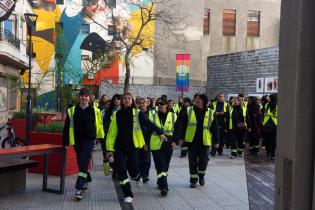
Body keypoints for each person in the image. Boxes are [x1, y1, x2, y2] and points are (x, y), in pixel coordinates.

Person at [106, 92, 165, 203]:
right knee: (121, 169)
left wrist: (160, 132)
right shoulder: (117, 114)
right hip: (119, 147)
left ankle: (137, 177)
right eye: (125, 98)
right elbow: (112, 132)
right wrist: (109, 149)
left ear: (132, 101)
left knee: (133, 168)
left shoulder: (137, 113)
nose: (127, 100)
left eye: (129, 98)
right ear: (122, 101)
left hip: (133, 146)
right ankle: (128, 194)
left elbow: (149, 123)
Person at [63, 87, 105, 200]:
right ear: (79, 97)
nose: (84, 98)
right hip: (77, 140)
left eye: (86, 96)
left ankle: (79, 188)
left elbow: (99, 125)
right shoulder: (72, 110)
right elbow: (67, 127)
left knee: (83, 162)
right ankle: (87, 178)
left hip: (89, 140)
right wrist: (65, 142)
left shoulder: (95, 110)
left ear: (90, 98)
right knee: (82, 163)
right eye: (82, 95)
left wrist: (102, 140)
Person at [176, 93, 218, 188]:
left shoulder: (210, 112)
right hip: (192, 141)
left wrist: (216, 141)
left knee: (204, 160)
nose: (197, 100)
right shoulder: (189, 110)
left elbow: (215, 128)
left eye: (199, 99)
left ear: (204, 100)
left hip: (205, 141)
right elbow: (183, 125)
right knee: (192, 161)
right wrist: (181, 138)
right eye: (196, 99)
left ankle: (201, 175)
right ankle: (193, 180)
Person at [149, 97, 177, 196]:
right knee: (160, 164)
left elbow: (177, 130)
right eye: (158, 104)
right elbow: (147, 129)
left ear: (166, 104)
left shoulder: (173, 115)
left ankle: (161, 181)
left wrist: (175, 141)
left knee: (165, 165)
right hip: (156, 143)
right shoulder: (152, 115)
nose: (160, 106)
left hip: (168, 143)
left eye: (162, 104)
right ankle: (164, 187)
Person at [137, 97, 152, 183]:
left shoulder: (151, 113)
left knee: (147, 160)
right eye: (140, 103)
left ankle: (145, 175)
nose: (142, 105)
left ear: (147, 104)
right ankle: (140, 173)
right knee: (138, 159)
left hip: (148, 139)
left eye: (144, 103)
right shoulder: (136, 113)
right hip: (138, 139)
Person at [262, 93, 278, 160]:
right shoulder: (266, 105)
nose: (268, 99)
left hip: (274, 126)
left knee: (273, 141)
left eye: (270, 98)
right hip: (266, 125)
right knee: (267, 140)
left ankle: (272, 153)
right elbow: (262, 113)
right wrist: (262, 122)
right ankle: (268, 152)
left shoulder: (278, 106)